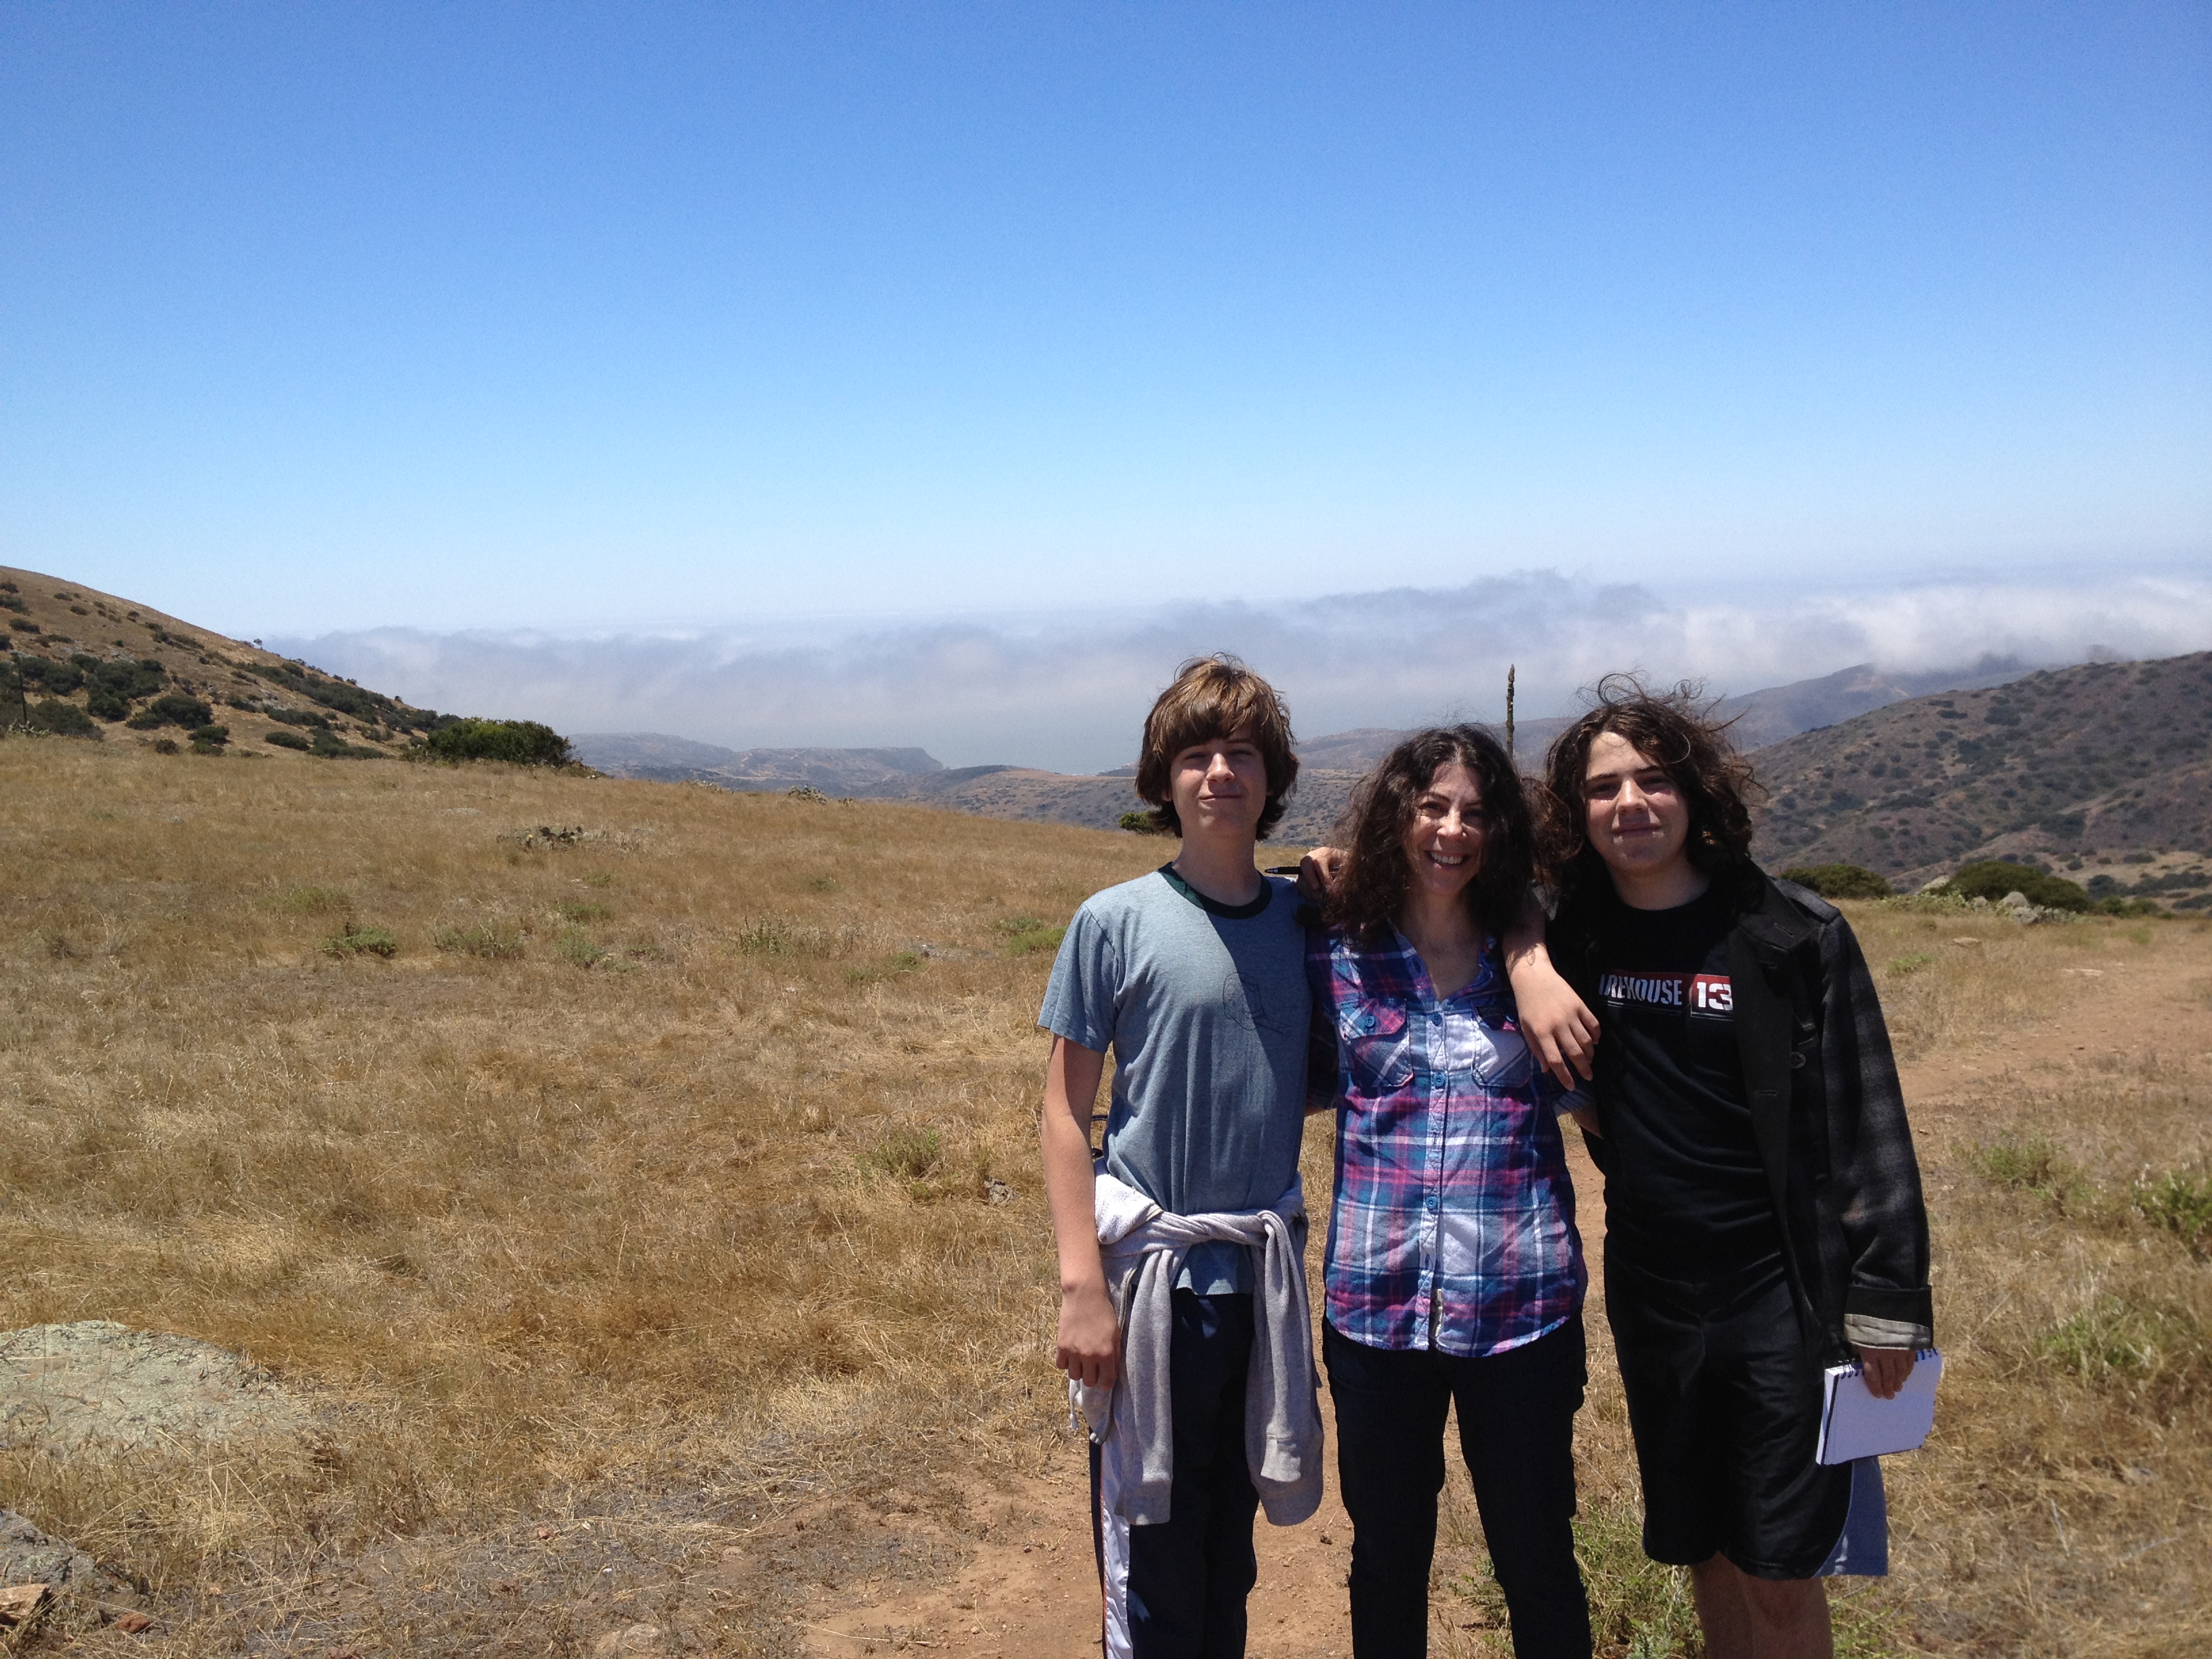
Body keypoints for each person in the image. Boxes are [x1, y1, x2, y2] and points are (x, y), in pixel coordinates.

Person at [1537, 680, 1933, 1659]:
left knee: (1780, 1566)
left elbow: (1868, 1122)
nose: (1630, 802)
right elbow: (1448, 893)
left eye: (1654, 780)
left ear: (1695, 793)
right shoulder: (1575, 937)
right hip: (1654, 1291)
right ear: (1578, 812)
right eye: (1604, 787)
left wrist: (1888, 1302)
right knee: (1702, 1544)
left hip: (1781, 1294)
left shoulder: (1791, 935)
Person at [1038, 654, 1326, 1659]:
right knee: (1151, 1555)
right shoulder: (1113, 921)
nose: (1219, 773)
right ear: (1164, 777)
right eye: (1196, 754)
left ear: (1271, 775)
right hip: (1151, 1287)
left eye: (1241, 752)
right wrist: (1082, 1285)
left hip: (1260, 1287)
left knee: (1226, 1553)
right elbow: (1063, 1110)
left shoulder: (1306, 921)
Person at [1307, 726, 1595, 1659]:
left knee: (1537, 1561)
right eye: (1431, 807)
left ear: (1500, 831)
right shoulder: (1337, 951)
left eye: (1475, 813)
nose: (1452, 830)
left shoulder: (1541, 962)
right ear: (1396, 816)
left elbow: (1610, 1103)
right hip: (1376, 1316)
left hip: (1521, 1314)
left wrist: (1533, 954)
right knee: (1387, 1561)